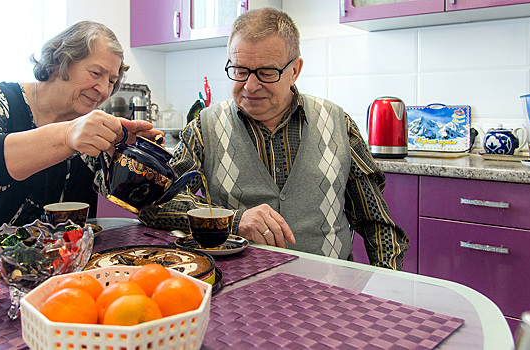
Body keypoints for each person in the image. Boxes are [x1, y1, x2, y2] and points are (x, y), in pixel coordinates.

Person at [139, 8, 409, 270]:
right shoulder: (204, 127)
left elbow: (377, 223)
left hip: (329, 291)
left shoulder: (338, 124)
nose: (251, 86)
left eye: (267, 72)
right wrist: (233, 220)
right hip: (238, 290)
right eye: (240, 70)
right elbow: (155, 203)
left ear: (295, 70)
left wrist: (388, 284)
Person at [0, 21, 161, 236]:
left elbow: (135, 202)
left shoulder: (93, 132)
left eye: (112, 81)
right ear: (60, 61)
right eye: (96, 73)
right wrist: (67, 136)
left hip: (59, 264)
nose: (103, 89)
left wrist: (132, 157)